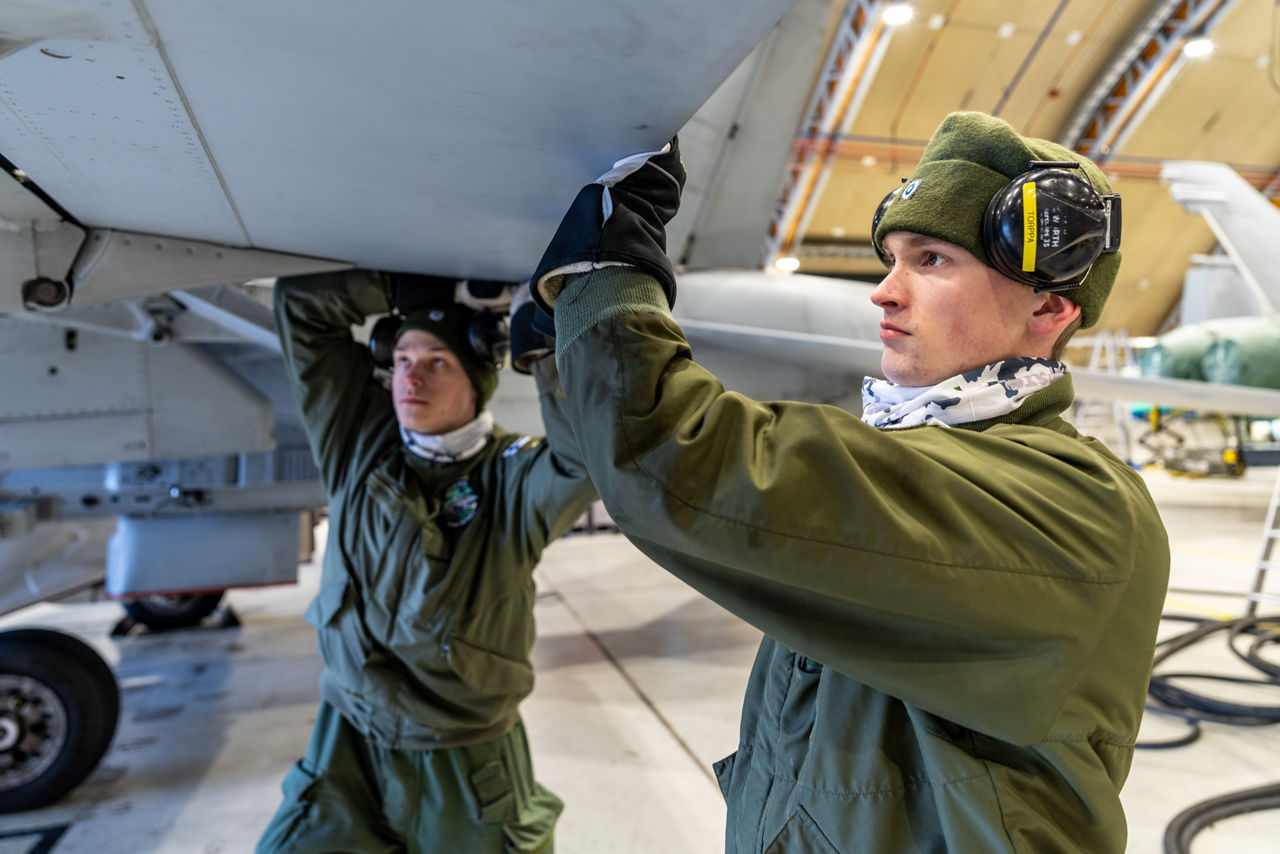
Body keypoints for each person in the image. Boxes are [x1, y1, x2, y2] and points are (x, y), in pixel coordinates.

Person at [530, 112, 1170, 852]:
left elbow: (672, 462)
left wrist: (610, 274)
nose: (884, 292)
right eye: (892, 259)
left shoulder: (1077, 506)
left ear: (1051, 305)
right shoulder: (919, 450)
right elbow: (620, 463)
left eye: (931, 260)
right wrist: (550, 352)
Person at [257, 271, 596, 853]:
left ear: (477, 381)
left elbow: (584, 462)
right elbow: (300, 307)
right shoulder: (359, 444)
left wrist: (543, 344)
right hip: (348, 742)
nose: (410, 376)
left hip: (462, 758)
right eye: (404, 357)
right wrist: (395, 286)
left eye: (437, 361)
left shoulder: (512, 476)